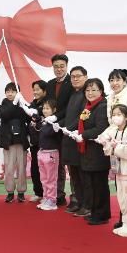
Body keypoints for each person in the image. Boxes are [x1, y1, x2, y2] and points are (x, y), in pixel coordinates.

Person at [100, 104, 127, 237]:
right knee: (121, 198)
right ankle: (126, 223)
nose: (115, 117)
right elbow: (107, 147)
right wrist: (107, 144)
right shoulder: (114, 130)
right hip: (118, 170)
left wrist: (115, 147)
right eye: (113, 115)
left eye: (119, 114)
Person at [72, 78, 109, 224]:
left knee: (99, 185)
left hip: (98, 152)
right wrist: (77, 132)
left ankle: (101, 215)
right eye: (87, 90)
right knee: (91, 184)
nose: (90, 93)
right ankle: (95, 212)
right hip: (88, 151)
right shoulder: (88, 106)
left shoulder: (102, 106)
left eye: (94, 90)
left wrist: (83, 135)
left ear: (101, 91)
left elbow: (101, 128)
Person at [106, 68, 127, 229]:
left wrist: (120, 140)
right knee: (120, 187)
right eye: (112, 80)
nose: (115, 83)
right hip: (115, 137)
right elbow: (111, 123)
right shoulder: (109, 98)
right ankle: (124, 218)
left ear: (125, 82)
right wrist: (106, 137)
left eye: (118, 79)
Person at [57, 66, 88, 214]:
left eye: (78, 76)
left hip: (79, 139)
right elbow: (69, 116)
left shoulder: (87, 94)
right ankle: (79, 202)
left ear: (85, 77)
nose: (75, 79)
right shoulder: (73, 94)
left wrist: (67, 128)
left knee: (82, 175)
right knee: (74, 174)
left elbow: (82, 117)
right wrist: (58, 124)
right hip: (69, 139)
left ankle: (86, 204)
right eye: (73, 77)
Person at [45, 54, 73, 206]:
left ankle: (76, 197)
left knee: (70, 164)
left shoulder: (72, 82)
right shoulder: (49, 84)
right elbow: (47, 106)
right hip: (52, 130)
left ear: (66, 66)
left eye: (62, 66)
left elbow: (70, 107)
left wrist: (56, 118)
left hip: (68, 127)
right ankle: (58, 194)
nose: (59, 69)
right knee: (56, 163)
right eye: (56, 66)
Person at [0, 82, 30, 203]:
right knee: (9, 168)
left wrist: (23, 104)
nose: (10, 94)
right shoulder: (2, 106)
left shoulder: (22, 105)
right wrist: (15, 103)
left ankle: (21, 192)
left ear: (17, 93)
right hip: (8, 142)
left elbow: (29, 117)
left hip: (21, 141)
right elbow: (5, 115)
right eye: (8, 91)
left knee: (22, 168)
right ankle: (10, 192)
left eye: (13, 91)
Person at [34, 99, 60, 211]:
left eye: (48, 108)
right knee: (44, 178)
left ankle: (52, 200)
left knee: (51, 179)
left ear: (54, 110)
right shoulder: (43, 122)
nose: (45, 110)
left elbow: (50, 133)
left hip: (51, 153)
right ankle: (46, 197)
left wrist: (46, 123)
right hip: (41, 152)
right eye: (44, 108)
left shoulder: (55, 123)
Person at [26, 80, 47, 202]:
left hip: (46, 142)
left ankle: (48, 194)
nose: (35, 92)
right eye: (34, 89)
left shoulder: (47, 104)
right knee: (35, 168)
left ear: (44, 91)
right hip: (34, 142)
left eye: (38, 89)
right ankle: (38, 192)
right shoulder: (31, 104)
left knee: (46, 170)